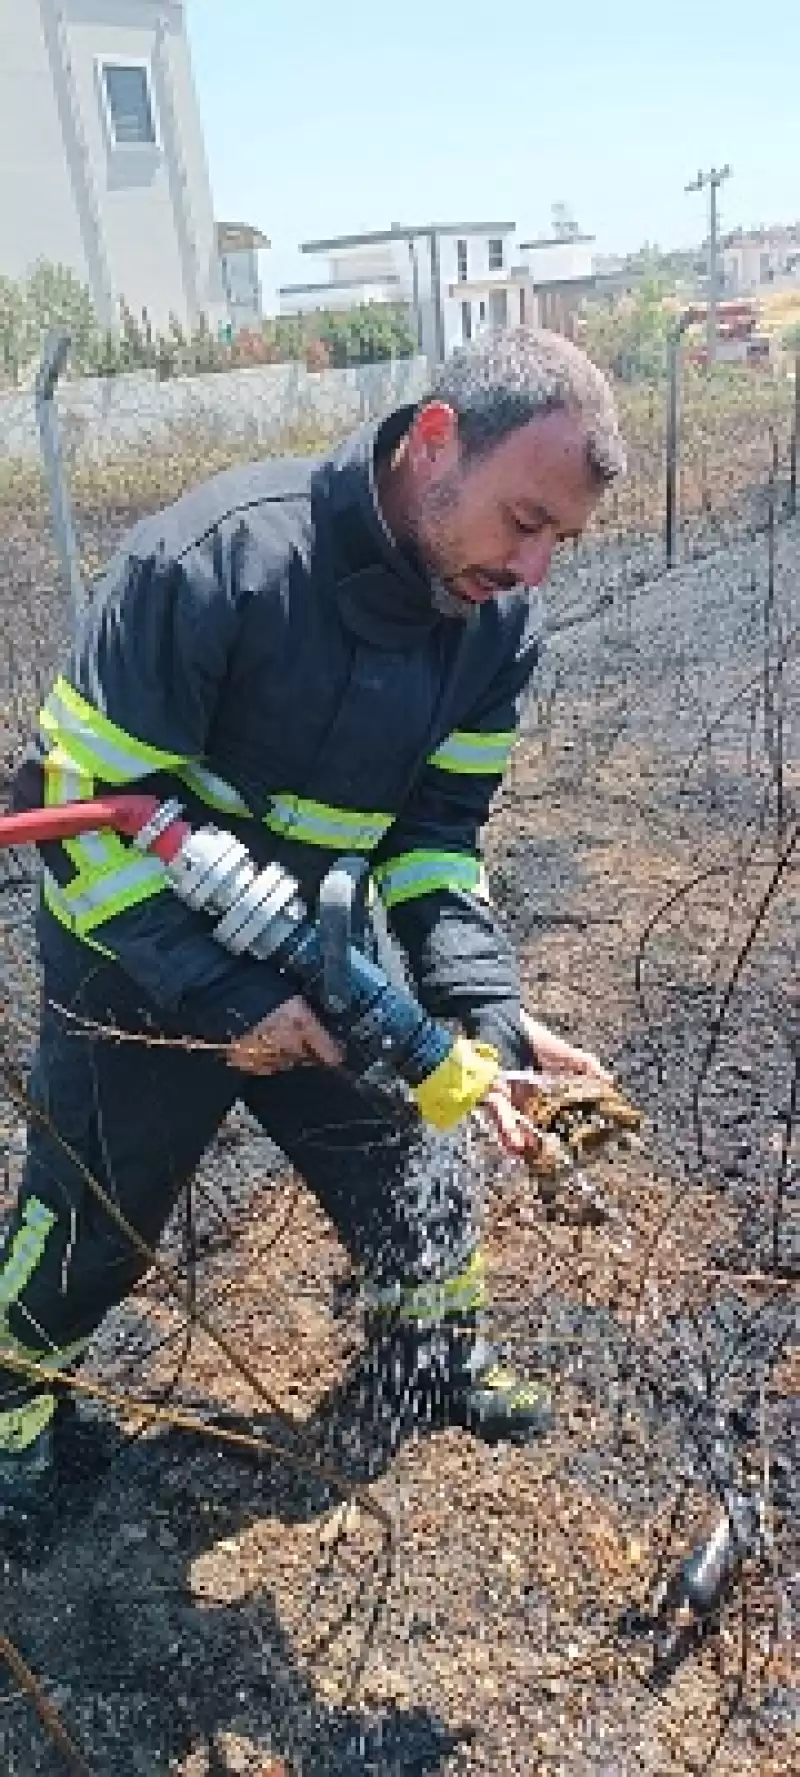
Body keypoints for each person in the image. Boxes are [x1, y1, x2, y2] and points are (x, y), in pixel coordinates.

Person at [0, 327, 626, 1515]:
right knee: (93, 1213)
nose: (534, 568)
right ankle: (11, 1403)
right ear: (435, 443)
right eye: (523, 521)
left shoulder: (493, 623)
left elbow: (437, 836)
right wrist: (236, 1000)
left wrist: (479, 1007)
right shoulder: (213, 563)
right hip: (136, 958)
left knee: (403, 1155)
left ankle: (429, 1356)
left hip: (320, 943)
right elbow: (81, 823)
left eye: (562, 541)